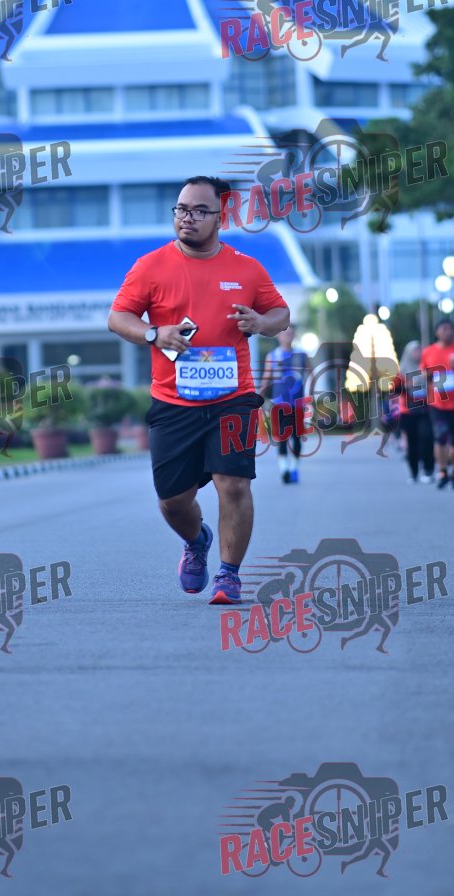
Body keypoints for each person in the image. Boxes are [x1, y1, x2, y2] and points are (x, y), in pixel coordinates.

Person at [108, 176, 289, 604]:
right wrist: (154, 334)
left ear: (221, 217)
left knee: (234, 484)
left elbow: (280, 313)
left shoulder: (247, 269)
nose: (187, 218)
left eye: (198, 211)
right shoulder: (151, 266)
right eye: (181, 209)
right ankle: (197, 541)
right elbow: (118, 318)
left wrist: (262, 323)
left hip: (233, 398)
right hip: (173, 401)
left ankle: (229, 574)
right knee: (172, 501)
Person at [420, 318, 454, 490]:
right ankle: (443, 471)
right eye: (443, 329)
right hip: (438, 404)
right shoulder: (429, 351)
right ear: (437, 332)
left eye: (450, 329)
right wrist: (428, 375)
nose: (447, 332)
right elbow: (422, 372)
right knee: (440, 436)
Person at [260, 324, 308, 483]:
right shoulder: (273, 356)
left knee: (297, 437)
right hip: (279, 403)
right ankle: (284, 469)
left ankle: (294, 467)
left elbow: (311, 374)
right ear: (278, 336)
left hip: (298, 403)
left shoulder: (301, 355)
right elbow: (266, 378)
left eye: (290, 333)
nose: (287, 336)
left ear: (294, 335)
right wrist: (259, 397)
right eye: (284, 333)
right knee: (281, 436)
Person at [396, 341, 434, 484]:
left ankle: (428, 470)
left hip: (426, 409)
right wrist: (409, 385)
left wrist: (427, 379)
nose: (418, 353)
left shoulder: (427, 368)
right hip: (408, 411)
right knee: (412, 443)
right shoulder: (402, 371)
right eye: (415, 351)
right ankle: (414, 472)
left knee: (427, 438)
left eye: (419, 350)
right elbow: (395, 390)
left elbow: (437, 384)